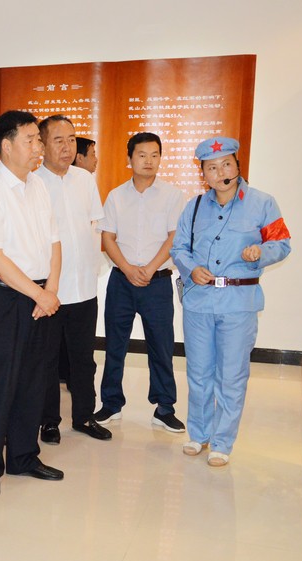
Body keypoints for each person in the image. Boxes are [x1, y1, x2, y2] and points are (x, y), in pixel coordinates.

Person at [171, 137, 291, 467]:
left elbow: (282, 244)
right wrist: (191, 268)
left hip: (239, 302)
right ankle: (199, 434)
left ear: (237, 165)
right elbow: (179, 248)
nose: (221, 172)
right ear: (203, 174)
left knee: (231, 375)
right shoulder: (194, 207)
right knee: (199, 372)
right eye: (212, 167)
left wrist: (260, 252)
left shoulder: (263, 203)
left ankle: (222, 441)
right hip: (199, 302)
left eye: (226, 164)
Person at [0, 110, 64, 497]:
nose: (38, 146)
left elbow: (54, 243)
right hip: (3, 297)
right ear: (6, 146)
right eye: (31, 140)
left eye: (39, 140)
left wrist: (50, 290)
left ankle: (24, 455)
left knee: (33, 380)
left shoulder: (38, 185)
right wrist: (39, 294)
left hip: (41, 296)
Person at [97, 133, 186, 432]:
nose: (149, 161)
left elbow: (174, 238)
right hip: (121, 282)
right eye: (142, 155)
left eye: (154, 155)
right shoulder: (116, 196)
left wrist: (148, 268)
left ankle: (164, 408)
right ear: (130, 159)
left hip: (156, 282)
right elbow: (108, 237)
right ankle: (111, 404)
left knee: (161, 346)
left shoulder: (173, 196)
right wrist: (127, 268)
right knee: (115, 345)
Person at [36, 115, 111, 444]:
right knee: (47, 360)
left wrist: (93, 269)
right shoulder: (33, 182)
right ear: (42, 145)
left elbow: (94, 226)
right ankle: (49, 421)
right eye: (58, 140)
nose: (67, 147)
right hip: (50, 290)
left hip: (83, 287)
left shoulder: (84, 179)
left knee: (84, 358)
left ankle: (84, 416)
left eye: (71, 139)